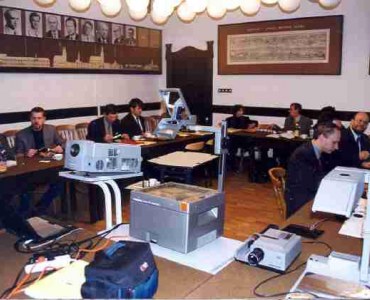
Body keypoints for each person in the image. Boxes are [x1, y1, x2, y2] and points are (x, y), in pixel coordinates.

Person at [285, 122, 341, 217]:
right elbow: (310, 185)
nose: (337, 147)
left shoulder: (319, 152)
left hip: (309, 195)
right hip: (300, 204)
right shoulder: (302, 155)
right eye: (334, 142)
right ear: (322, 137)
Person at [15, 107, 64, 215]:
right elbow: (17, 156)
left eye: (39, 118)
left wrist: (59, 147)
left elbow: (63, 144)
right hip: (31, 171)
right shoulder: (21, 135)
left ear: (44, 119)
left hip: (49, 167)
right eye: (34, 118)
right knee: (23, 185)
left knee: (61, 181)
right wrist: (25, 154)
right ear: (30, 119)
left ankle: (40, 208)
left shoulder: (51, 129)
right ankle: (26, 213)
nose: (36, 121)